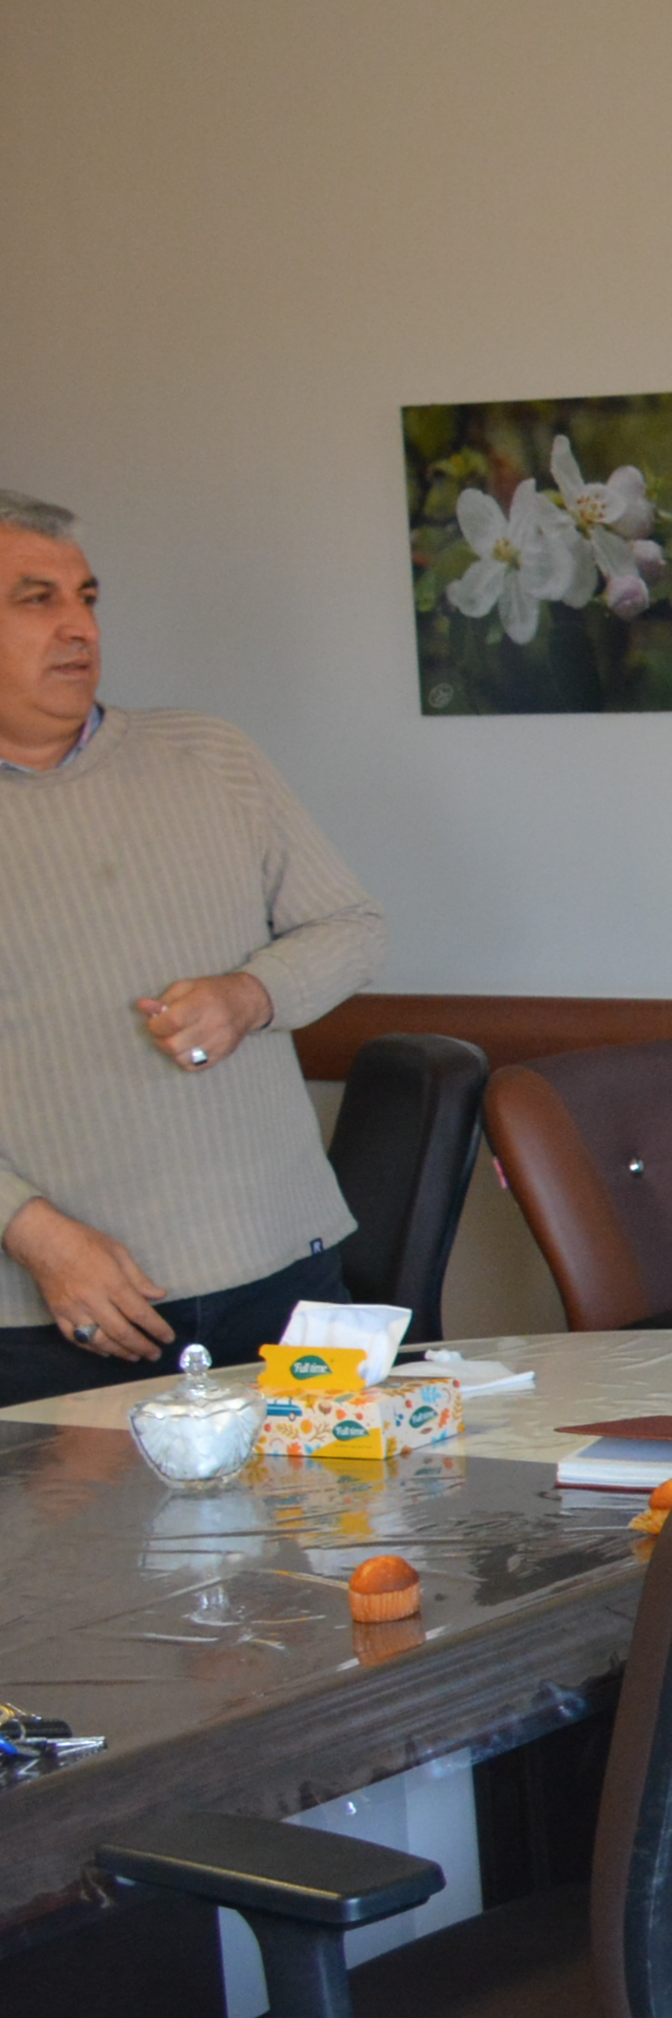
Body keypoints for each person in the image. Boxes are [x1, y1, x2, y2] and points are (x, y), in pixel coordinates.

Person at [0, 491, 389, 1409]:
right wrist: (32, 1232)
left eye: (86, 598)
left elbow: (353, 926)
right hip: (51, 1316)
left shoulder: (208, 757)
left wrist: (249, 995)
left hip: (283, 1278)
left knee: (330, 1507)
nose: (78, 627)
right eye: (35, 600)